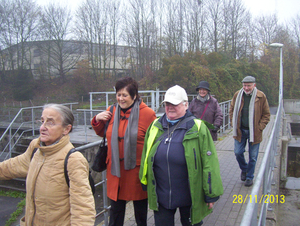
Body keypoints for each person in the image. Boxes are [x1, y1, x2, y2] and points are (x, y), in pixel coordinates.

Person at [139, 85, 223, 226]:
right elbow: (146, 156)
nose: (170, 107)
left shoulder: (198, 128)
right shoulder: (155, 126)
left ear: (186, 105)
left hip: (190, 196)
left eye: (175, 104)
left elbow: (210, 162)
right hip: (162, 196)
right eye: (167, 104)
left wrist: (211, 193)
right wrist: (144, 180)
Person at [0, 104, 95, 225]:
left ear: (66, 129)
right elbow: (12, 166)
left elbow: (83, 211)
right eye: (42, 121)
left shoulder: (73, 160)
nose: (43, 127)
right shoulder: (36, 149)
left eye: (50, 122)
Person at [91, 77, 156, 226]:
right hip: (116, 172)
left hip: (136, 172)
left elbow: (154, 142)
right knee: (115, 213)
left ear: (134, 96)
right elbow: (103, 133)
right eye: (118, 94)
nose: (120, 99)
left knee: (140, 214)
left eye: (124, 95)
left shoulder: (148, 114)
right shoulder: (112, 110)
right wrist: (97, 118)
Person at [229, 76, 270, 187]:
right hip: (240, 131)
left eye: (248, 85)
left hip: (255, 132)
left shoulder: (261, 96)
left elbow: (266, 115)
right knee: (238, 152)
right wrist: (233, 123)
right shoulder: (237, 95)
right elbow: (231, 109)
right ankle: (244, 169)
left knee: (253, 156)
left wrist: (259, 127)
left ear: (254, 85)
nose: (246, 88)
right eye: (244, 85)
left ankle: (249, 177)